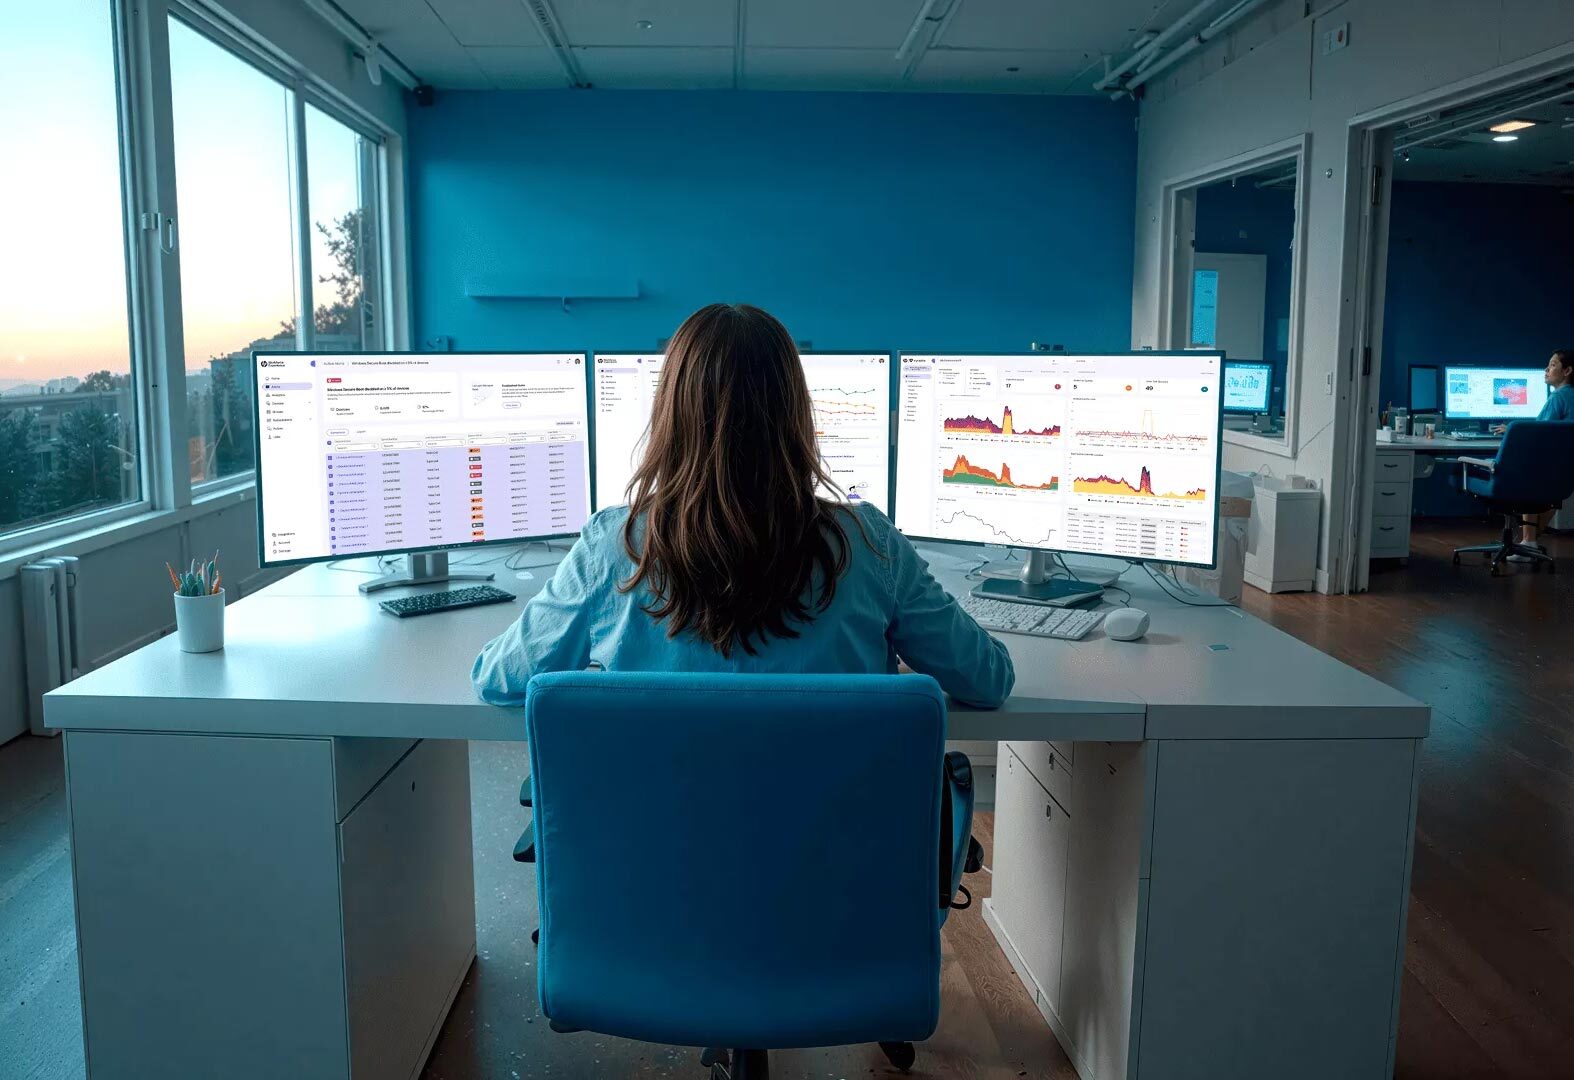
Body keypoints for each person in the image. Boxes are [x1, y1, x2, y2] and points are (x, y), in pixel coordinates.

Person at [472, 303, 1015, 708]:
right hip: (836, 857)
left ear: (670, 418)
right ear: (796, 416)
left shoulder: (613, 547)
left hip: (661, 856)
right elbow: (988, 680)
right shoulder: (868, 544)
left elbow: (499, 679)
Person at [1508, 349, 1574, 560]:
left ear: (1568, 370)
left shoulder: (1557, 398)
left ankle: (1527, 543)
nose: (1546, 369)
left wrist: (1511, 429)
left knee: (1525, 472)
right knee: (1549, 494)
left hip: (1543, 471)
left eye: (1553, 364)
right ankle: (1529, 542)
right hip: (1564, 473)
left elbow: (1538, 433)